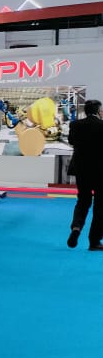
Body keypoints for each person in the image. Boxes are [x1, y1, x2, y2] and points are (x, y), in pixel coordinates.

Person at [67, 98, 103, 250]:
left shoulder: (75, 124)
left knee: (82, 201)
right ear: (98, 111)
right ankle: (94, 241)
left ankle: (76, 227)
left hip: (81, 170)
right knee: (100, 206)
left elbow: (71, 141)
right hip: (100, 172)